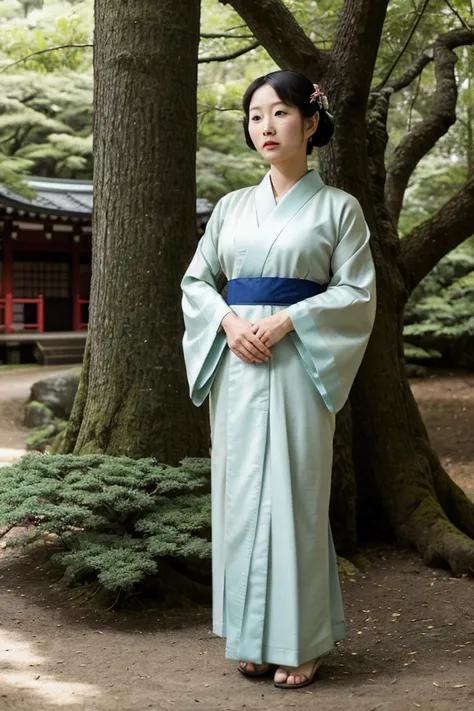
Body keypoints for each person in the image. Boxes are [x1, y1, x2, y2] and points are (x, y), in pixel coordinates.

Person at [181, 70, 376, 690]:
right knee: (240, 497)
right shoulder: (233, 208)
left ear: (311, 122)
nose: (266, 126)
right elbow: (195, 282)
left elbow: (356, 292)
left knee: (294, 494)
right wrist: (229, 321)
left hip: (298, 366)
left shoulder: (339, 208)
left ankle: (303, 641)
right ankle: (252, 636)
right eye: (255, 115)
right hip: (238, 367)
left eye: (281, 113)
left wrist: (292, 319)